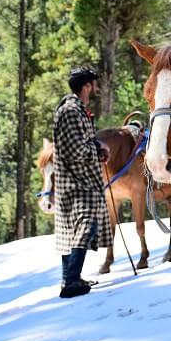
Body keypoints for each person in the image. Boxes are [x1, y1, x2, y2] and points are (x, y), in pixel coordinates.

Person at [53, 67, 113, 297]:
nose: (96, 87)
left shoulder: (78, 110)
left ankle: (71, 278)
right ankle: (70, 281)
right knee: (85, 225)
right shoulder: (70, 111)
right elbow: (74, 149)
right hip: (77, 181)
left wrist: (98, 146)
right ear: (86, 86)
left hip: (81, 180)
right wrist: (97, 151)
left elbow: (82, 141)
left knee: (73, 229)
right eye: (93, 83)